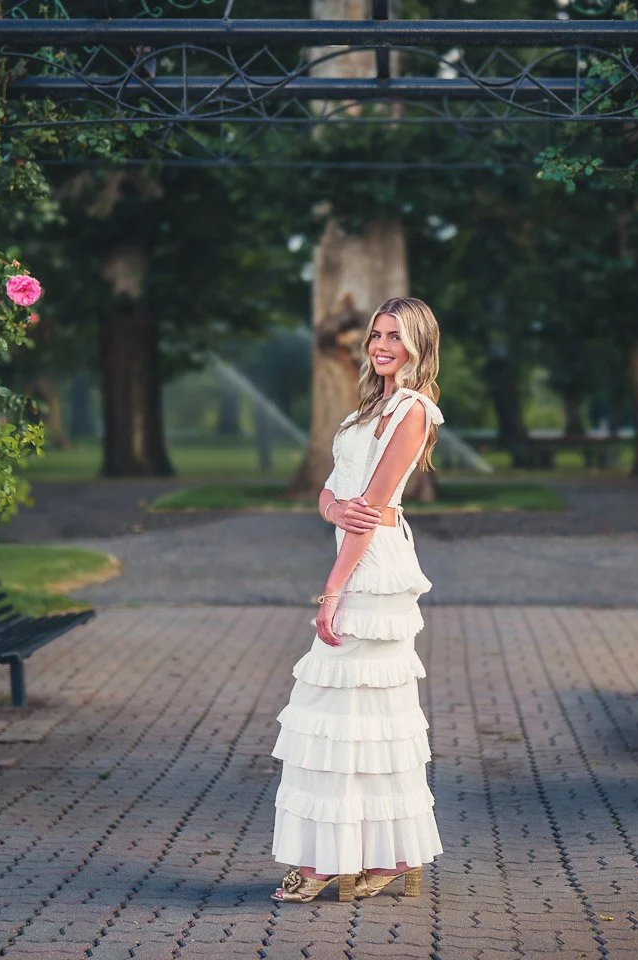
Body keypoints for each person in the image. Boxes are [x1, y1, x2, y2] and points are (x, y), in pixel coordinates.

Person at [271, 296, 444, 903]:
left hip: (372, 569)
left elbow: (368, 511)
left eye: (394, 335)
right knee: (359, 717)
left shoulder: (414, 410)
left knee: (342, 711)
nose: (380, 345)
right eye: (376, 334)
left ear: (418, 342)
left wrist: (331, 591)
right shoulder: (370, 405)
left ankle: (331, 862)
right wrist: (329, 507)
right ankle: (386, 855)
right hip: (354, 552)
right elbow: (330, 492)